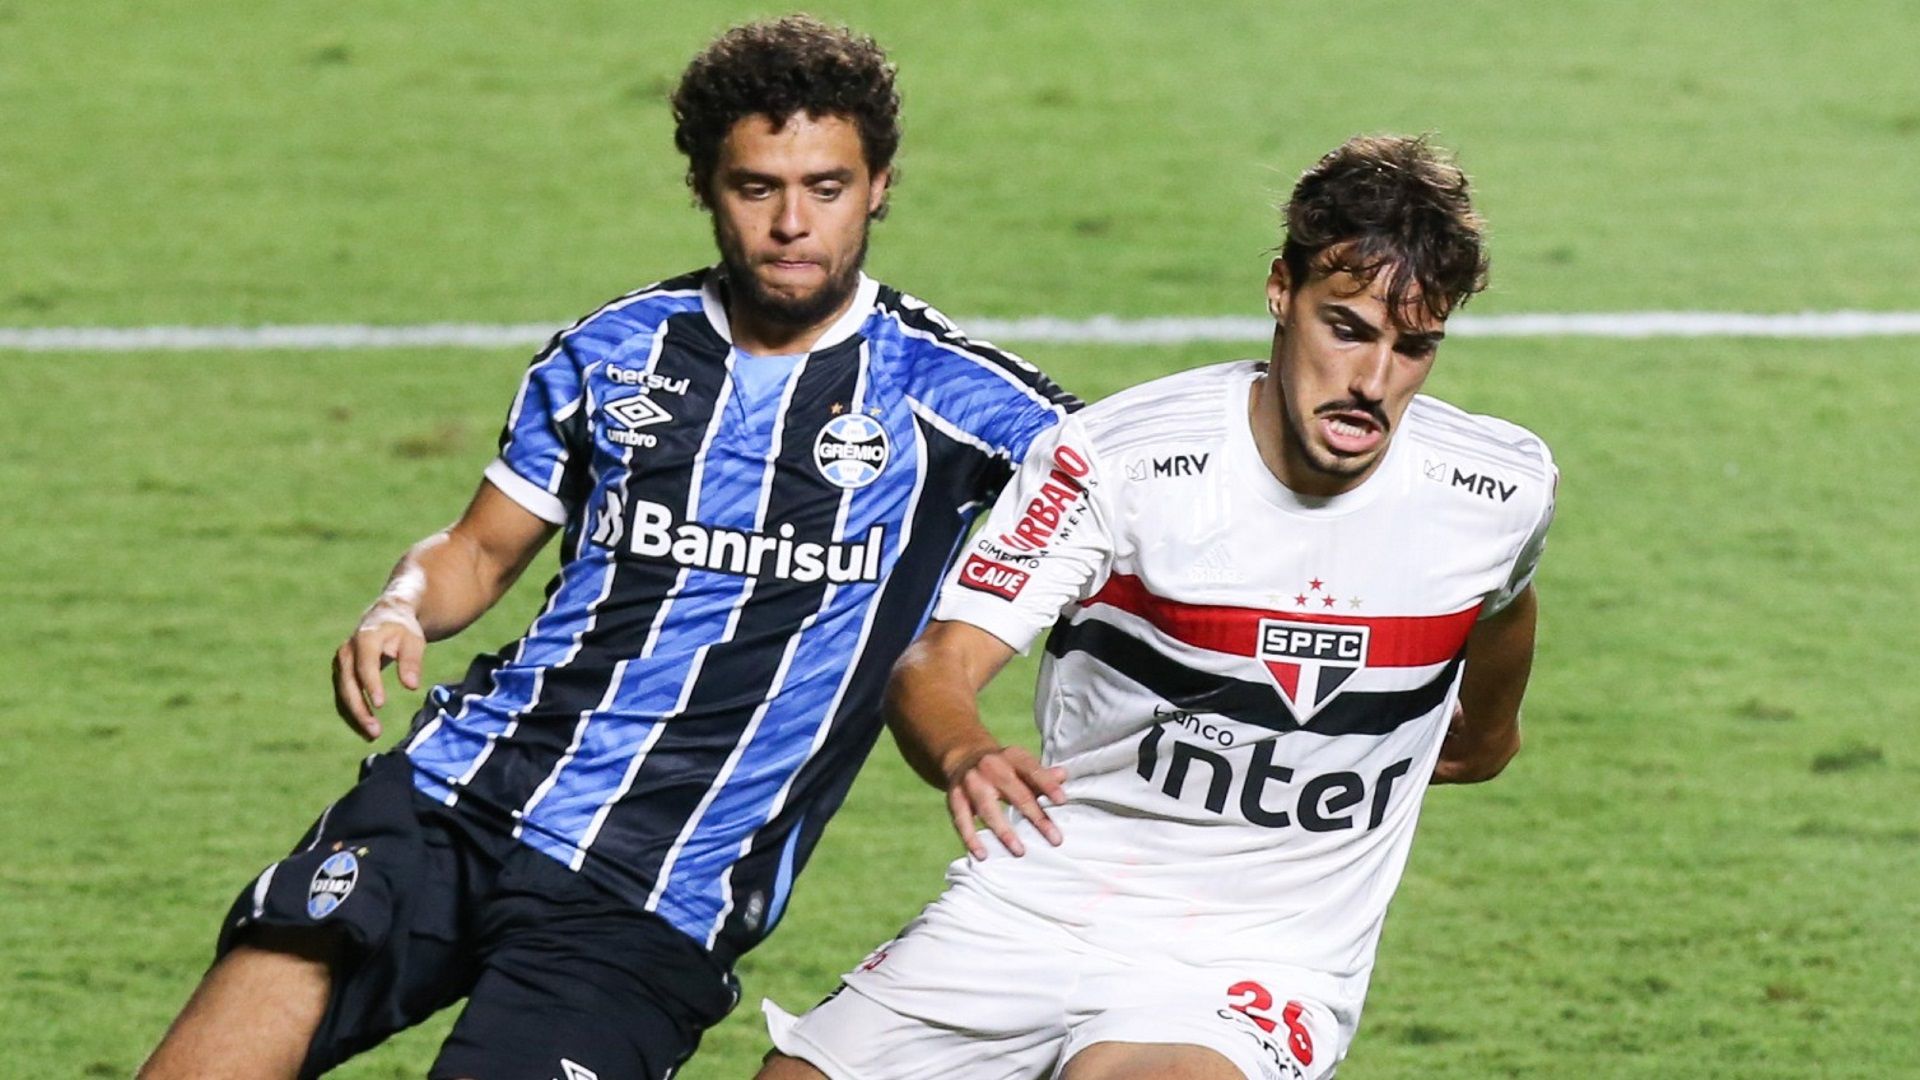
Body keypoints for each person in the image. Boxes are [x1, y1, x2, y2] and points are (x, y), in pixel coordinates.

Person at [140, 16, 1076, 1080]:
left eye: (826, 186)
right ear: (705, 187)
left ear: (880, 187)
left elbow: (1142, 508)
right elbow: (479, 553)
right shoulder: (616, 350)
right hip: (460, 795)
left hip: (657, 889)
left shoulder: (966, 402)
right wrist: (401, 603)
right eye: (756, 187)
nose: (791, 223)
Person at [758, 134, 1556, 1080]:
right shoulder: (1119, 461)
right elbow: (938, 662)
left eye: (1413, 346)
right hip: (1035, 909)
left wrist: (1491, 728)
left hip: (1258, 958)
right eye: (1346, 328)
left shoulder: (1496, 489)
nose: (1373, 383)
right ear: (1280, 291)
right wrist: (967, 750)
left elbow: (1505, 602)